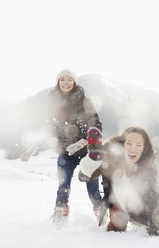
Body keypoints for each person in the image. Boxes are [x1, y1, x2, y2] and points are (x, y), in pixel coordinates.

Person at [20, 69, 103, 226]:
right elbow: (50, 127)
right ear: (58, 83)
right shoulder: (53, 104)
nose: (66, 82)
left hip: (88, 153)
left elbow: (96, 125)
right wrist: (34, 146)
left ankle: (100, 211)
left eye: (69, 79)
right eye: (62, 79)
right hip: (66, 151)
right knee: (63, 185)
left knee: (93, 189)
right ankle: (60, 211)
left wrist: (84, 142)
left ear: (74, 82)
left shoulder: (85, 101)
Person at [78, 127, 159, 236]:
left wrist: (152, 217)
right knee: (116, 228)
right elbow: (83, 177)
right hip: (117, 202)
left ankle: (139, 219)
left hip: (141, 201)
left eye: (138, 145)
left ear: (144, 148)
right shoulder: (109, 158)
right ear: (122, 144)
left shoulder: (148, 165)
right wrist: (91, 160)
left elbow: (152, 192)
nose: (133, 148)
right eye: (129, 143)